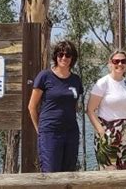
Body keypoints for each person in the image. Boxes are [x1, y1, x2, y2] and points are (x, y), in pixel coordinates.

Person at [28, 40, 83, 172]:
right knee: (50, 173)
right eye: (60, 54)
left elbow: (74, 106)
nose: (64, 58)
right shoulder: (45, 76)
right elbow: (32, 107)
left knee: (69, 173)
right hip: (50, 133)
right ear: (56, 57)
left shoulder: (76, 80)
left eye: (68, 55)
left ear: (73, 58)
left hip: (71, 133)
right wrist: (40, 130)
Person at [87, 49, 126, 170]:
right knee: (108, 174)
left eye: (123, 61)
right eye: (116, 61)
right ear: (110, 63)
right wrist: (101, 131)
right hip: (108, 130)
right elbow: (90, 110)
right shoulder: (103, 83)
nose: (120, 64)